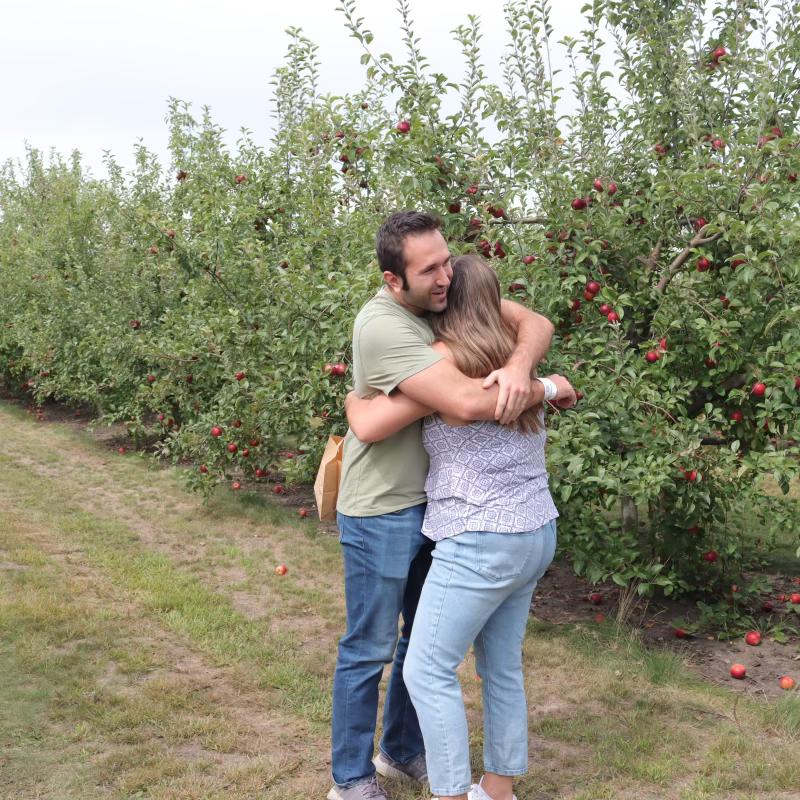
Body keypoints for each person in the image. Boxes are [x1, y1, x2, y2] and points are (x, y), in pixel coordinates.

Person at [329, 211, 576, 800]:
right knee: (378, 647)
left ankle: (411, 759)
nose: (441, 276)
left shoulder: (456, 347)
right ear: (396, 281)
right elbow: (455, 396)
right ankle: (355, 778)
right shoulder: (392, 329)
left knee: (423, 657)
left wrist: (526, 373)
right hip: (401, 507)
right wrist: (543, 383)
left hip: (467, 524)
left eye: (447, 265)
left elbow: (375, 416)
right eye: (428, 269)